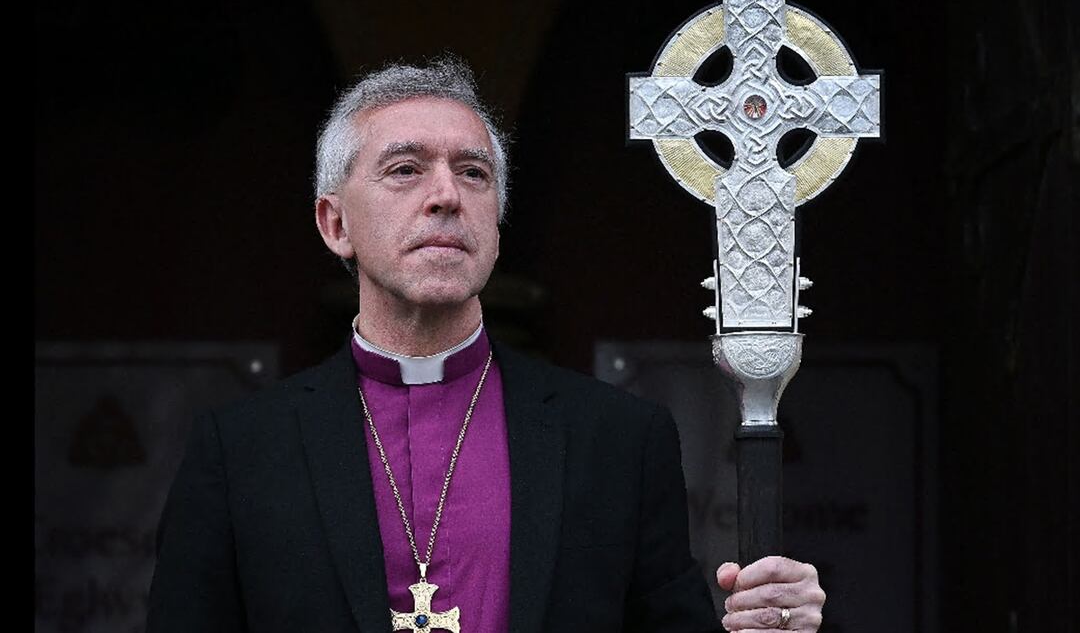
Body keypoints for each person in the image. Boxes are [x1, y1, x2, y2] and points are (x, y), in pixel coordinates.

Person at [146, 55, 826, 632]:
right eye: (405, 169)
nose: (446, 195)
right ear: (334, 224)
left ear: (497, 225)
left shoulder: (617, 439)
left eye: (474, 173)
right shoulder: (240, 451)